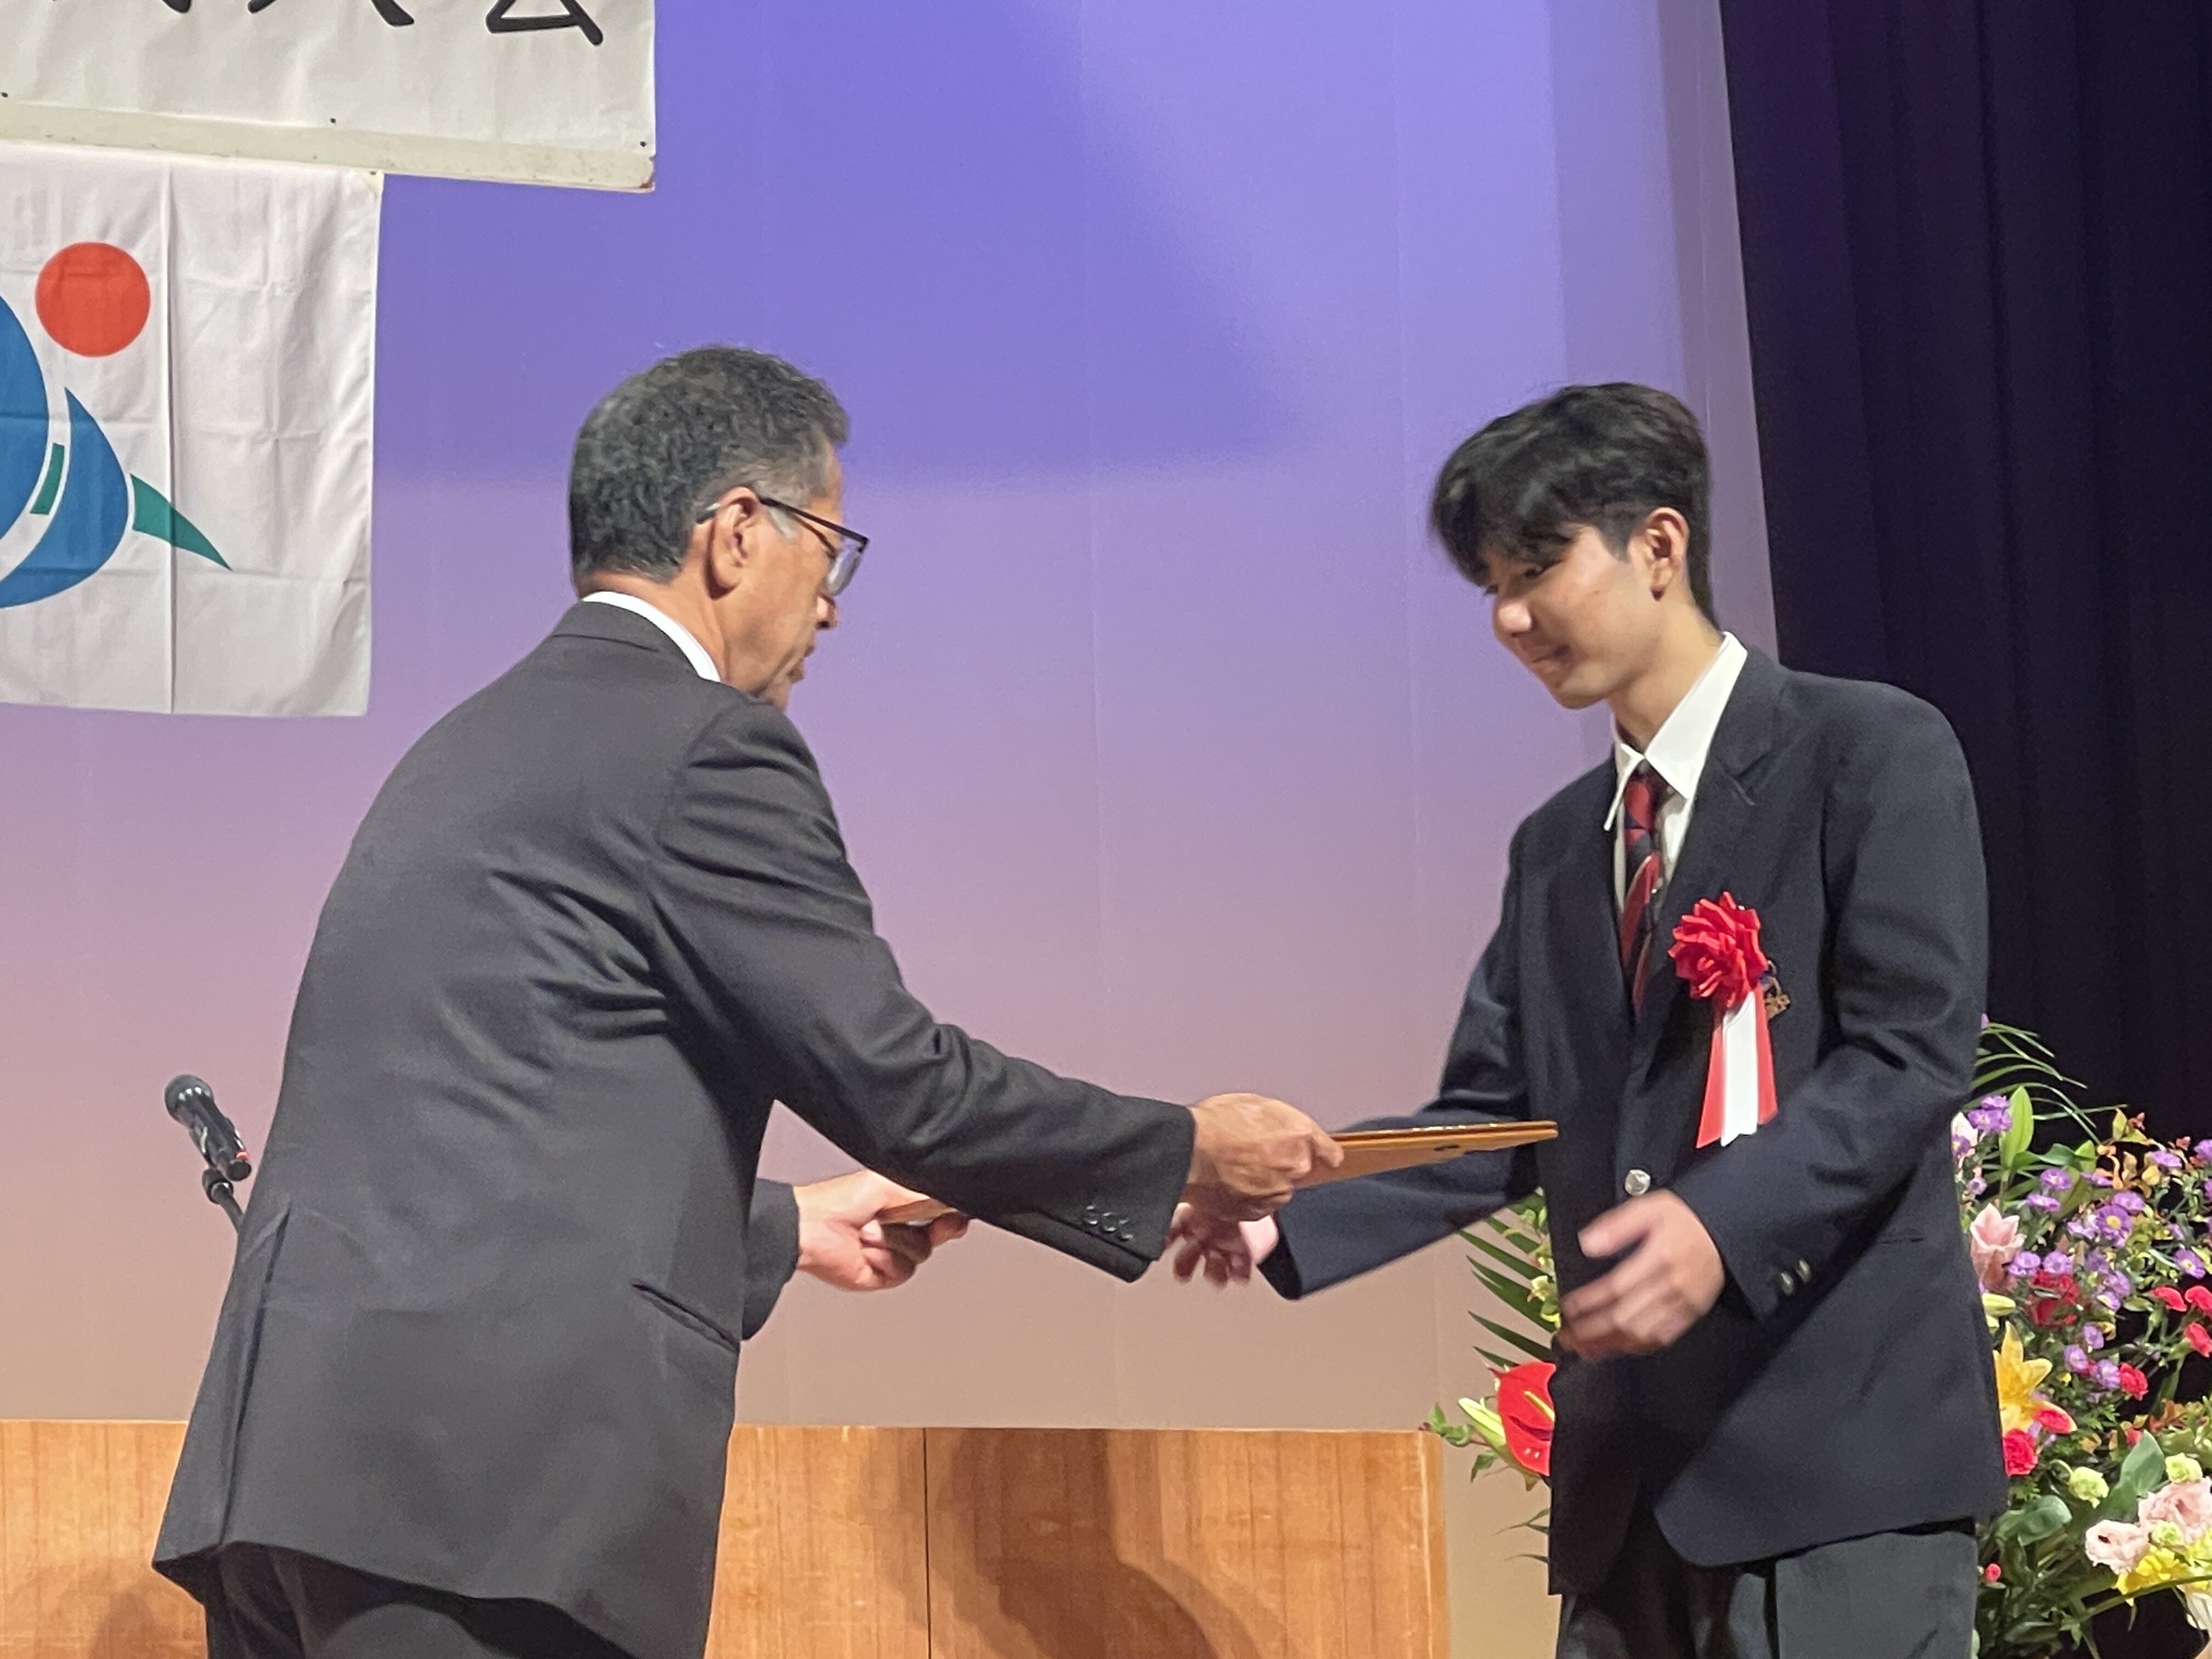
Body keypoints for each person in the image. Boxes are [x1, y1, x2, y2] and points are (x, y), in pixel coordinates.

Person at [154, 345, 1339, 1659]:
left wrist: (785, 1228)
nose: (830, 605)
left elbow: (484, 1134)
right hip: (482, 1504)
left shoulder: (472, 743)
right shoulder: (704, 745)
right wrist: (1188, 1147)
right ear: (734, 532)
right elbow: (902, 1084)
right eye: (830, 549)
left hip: (300, 1483)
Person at [1170, 383, 2005, 1658]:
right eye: (1491, 586)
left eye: (1536, 568)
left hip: (1842, 1475)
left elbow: (1911, 1055)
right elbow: (1501, 1118)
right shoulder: (1559, 846)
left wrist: (1717, 1224)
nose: (1510, 617)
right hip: (1630, 1495)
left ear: (1658, 545)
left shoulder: (1870, 751)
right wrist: (1294, 1207)